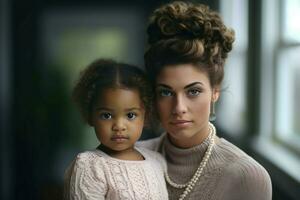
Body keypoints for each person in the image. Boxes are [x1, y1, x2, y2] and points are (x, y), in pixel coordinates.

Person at [138, 1, 272, 200]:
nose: (179, 108)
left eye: (193, 91)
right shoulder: (133, 157)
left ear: (215, 92)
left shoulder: (247, 177)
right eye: (166, 93)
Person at [64, 59, 168, 200]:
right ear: (90, 116)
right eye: (106, 115)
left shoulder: (157, 161)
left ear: (146, 115)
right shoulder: (90, 166)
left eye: (130, 115)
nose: (119, 126)